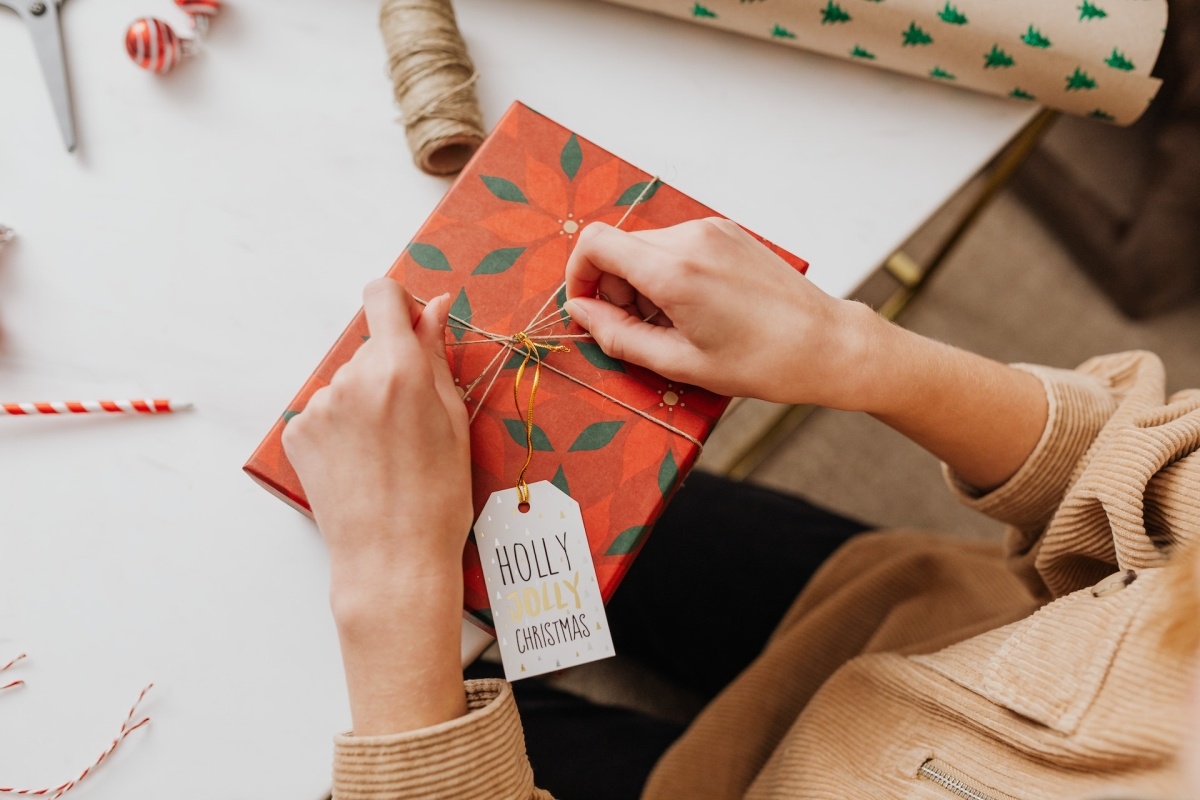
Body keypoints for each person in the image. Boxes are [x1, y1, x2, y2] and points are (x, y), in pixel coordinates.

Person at [281, 219, 1200, 799]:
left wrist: (395, 588)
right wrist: (852, 349)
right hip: (900, 617)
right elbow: (1152, 481)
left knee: (292, 738)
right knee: (543, 505)